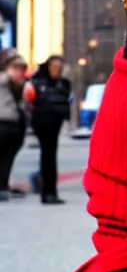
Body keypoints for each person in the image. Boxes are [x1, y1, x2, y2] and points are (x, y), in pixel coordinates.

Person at [25, 55, 71, 204]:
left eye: (59, 67)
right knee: (48, 156)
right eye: (54, 67)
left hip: (55, 123)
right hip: (43, 122)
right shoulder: (38, 82)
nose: (57, 70)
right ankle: (47, 192)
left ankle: (50, 191)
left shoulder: (63, 83)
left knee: (50, 156)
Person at [0, 49, 28, 200]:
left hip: (14, 123)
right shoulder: (3, 81)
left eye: (21, 70)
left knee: (8, 158)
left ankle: (3, 186)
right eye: (16, 69)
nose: (19, 73)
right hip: (2, 121)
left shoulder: (19, 85)